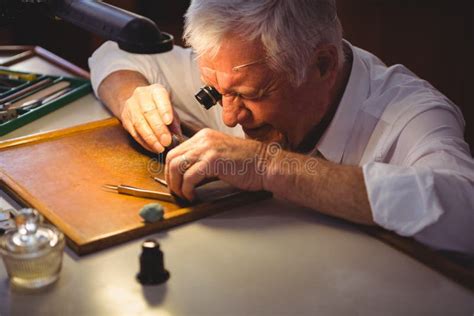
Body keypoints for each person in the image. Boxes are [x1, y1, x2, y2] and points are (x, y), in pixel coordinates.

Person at [89, 0, 474, 253]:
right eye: (216, 91)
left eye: (252, 95)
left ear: (322, 65)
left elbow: (465, 212)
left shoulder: (411, 115)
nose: (228, 116)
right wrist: (132, 99)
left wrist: (268, 166)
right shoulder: (234, 65)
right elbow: (115, 55)